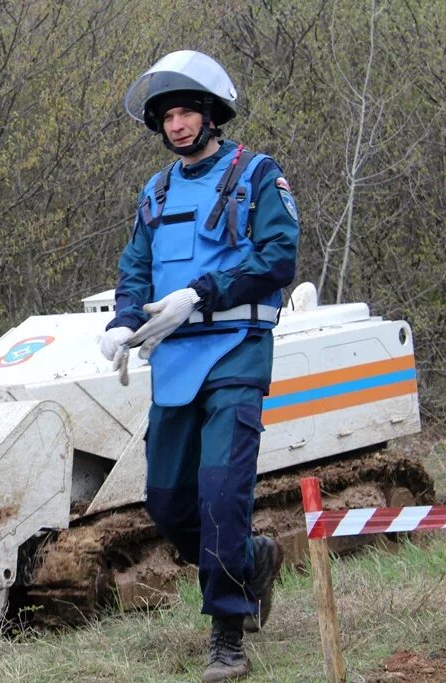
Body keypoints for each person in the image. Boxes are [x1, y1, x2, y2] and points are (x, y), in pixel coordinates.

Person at [99, 50, 299, 682]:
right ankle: (252, 559)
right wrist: (122, 319)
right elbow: (136, 265)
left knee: (221, 497)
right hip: (175, 362)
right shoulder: (154, 192)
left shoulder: (258, 174)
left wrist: (200, 293)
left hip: (237, 351)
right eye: (167, 117)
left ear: (211, 114)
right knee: (166, 502)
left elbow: (278, 258)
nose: (177, 125)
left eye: (186, 111)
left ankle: (227, 634)